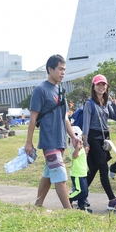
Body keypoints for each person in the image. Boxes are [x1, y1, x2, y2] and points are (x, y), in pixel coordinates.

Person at [25, 54, 81, 209]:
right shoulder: (41, 90)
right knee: (60, 178)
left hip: (60, 140)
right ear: (50, 69)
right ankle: (69, 211)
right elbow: (33, 118)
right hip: (49, 141)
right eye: (60, 69)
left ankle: (37, 206)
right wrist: (28, 142)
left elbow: (65, 118)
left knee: (49, 175)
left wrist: (73, 137)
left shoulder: (61, 91)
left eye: (64, 69)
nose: (63, 73)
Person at [81, 74, 116, 211]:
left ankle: (78, 196)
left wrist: (115, 105)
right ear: (93, 87)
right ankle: (112, 200)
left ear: (106, 87)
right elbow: (86, 125)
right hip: (93, 138)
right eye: (98, 84)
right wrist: (85, 143)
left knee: (93, 169)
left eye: (103, 84)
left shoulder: (106, 103)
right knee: (103, 167)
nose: (101, 87)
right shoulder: (90, 103)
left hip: (104, 139)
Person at [67, 126, 91, 213]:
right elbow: (74, 156)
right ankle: (68, 198)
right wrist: (77, 147)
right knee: (80, 191)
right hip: (77, 174)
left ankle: (82, 206)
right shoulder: (73, 150)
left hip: (83, 173)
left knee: (85, 192)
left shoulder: (82, 149)